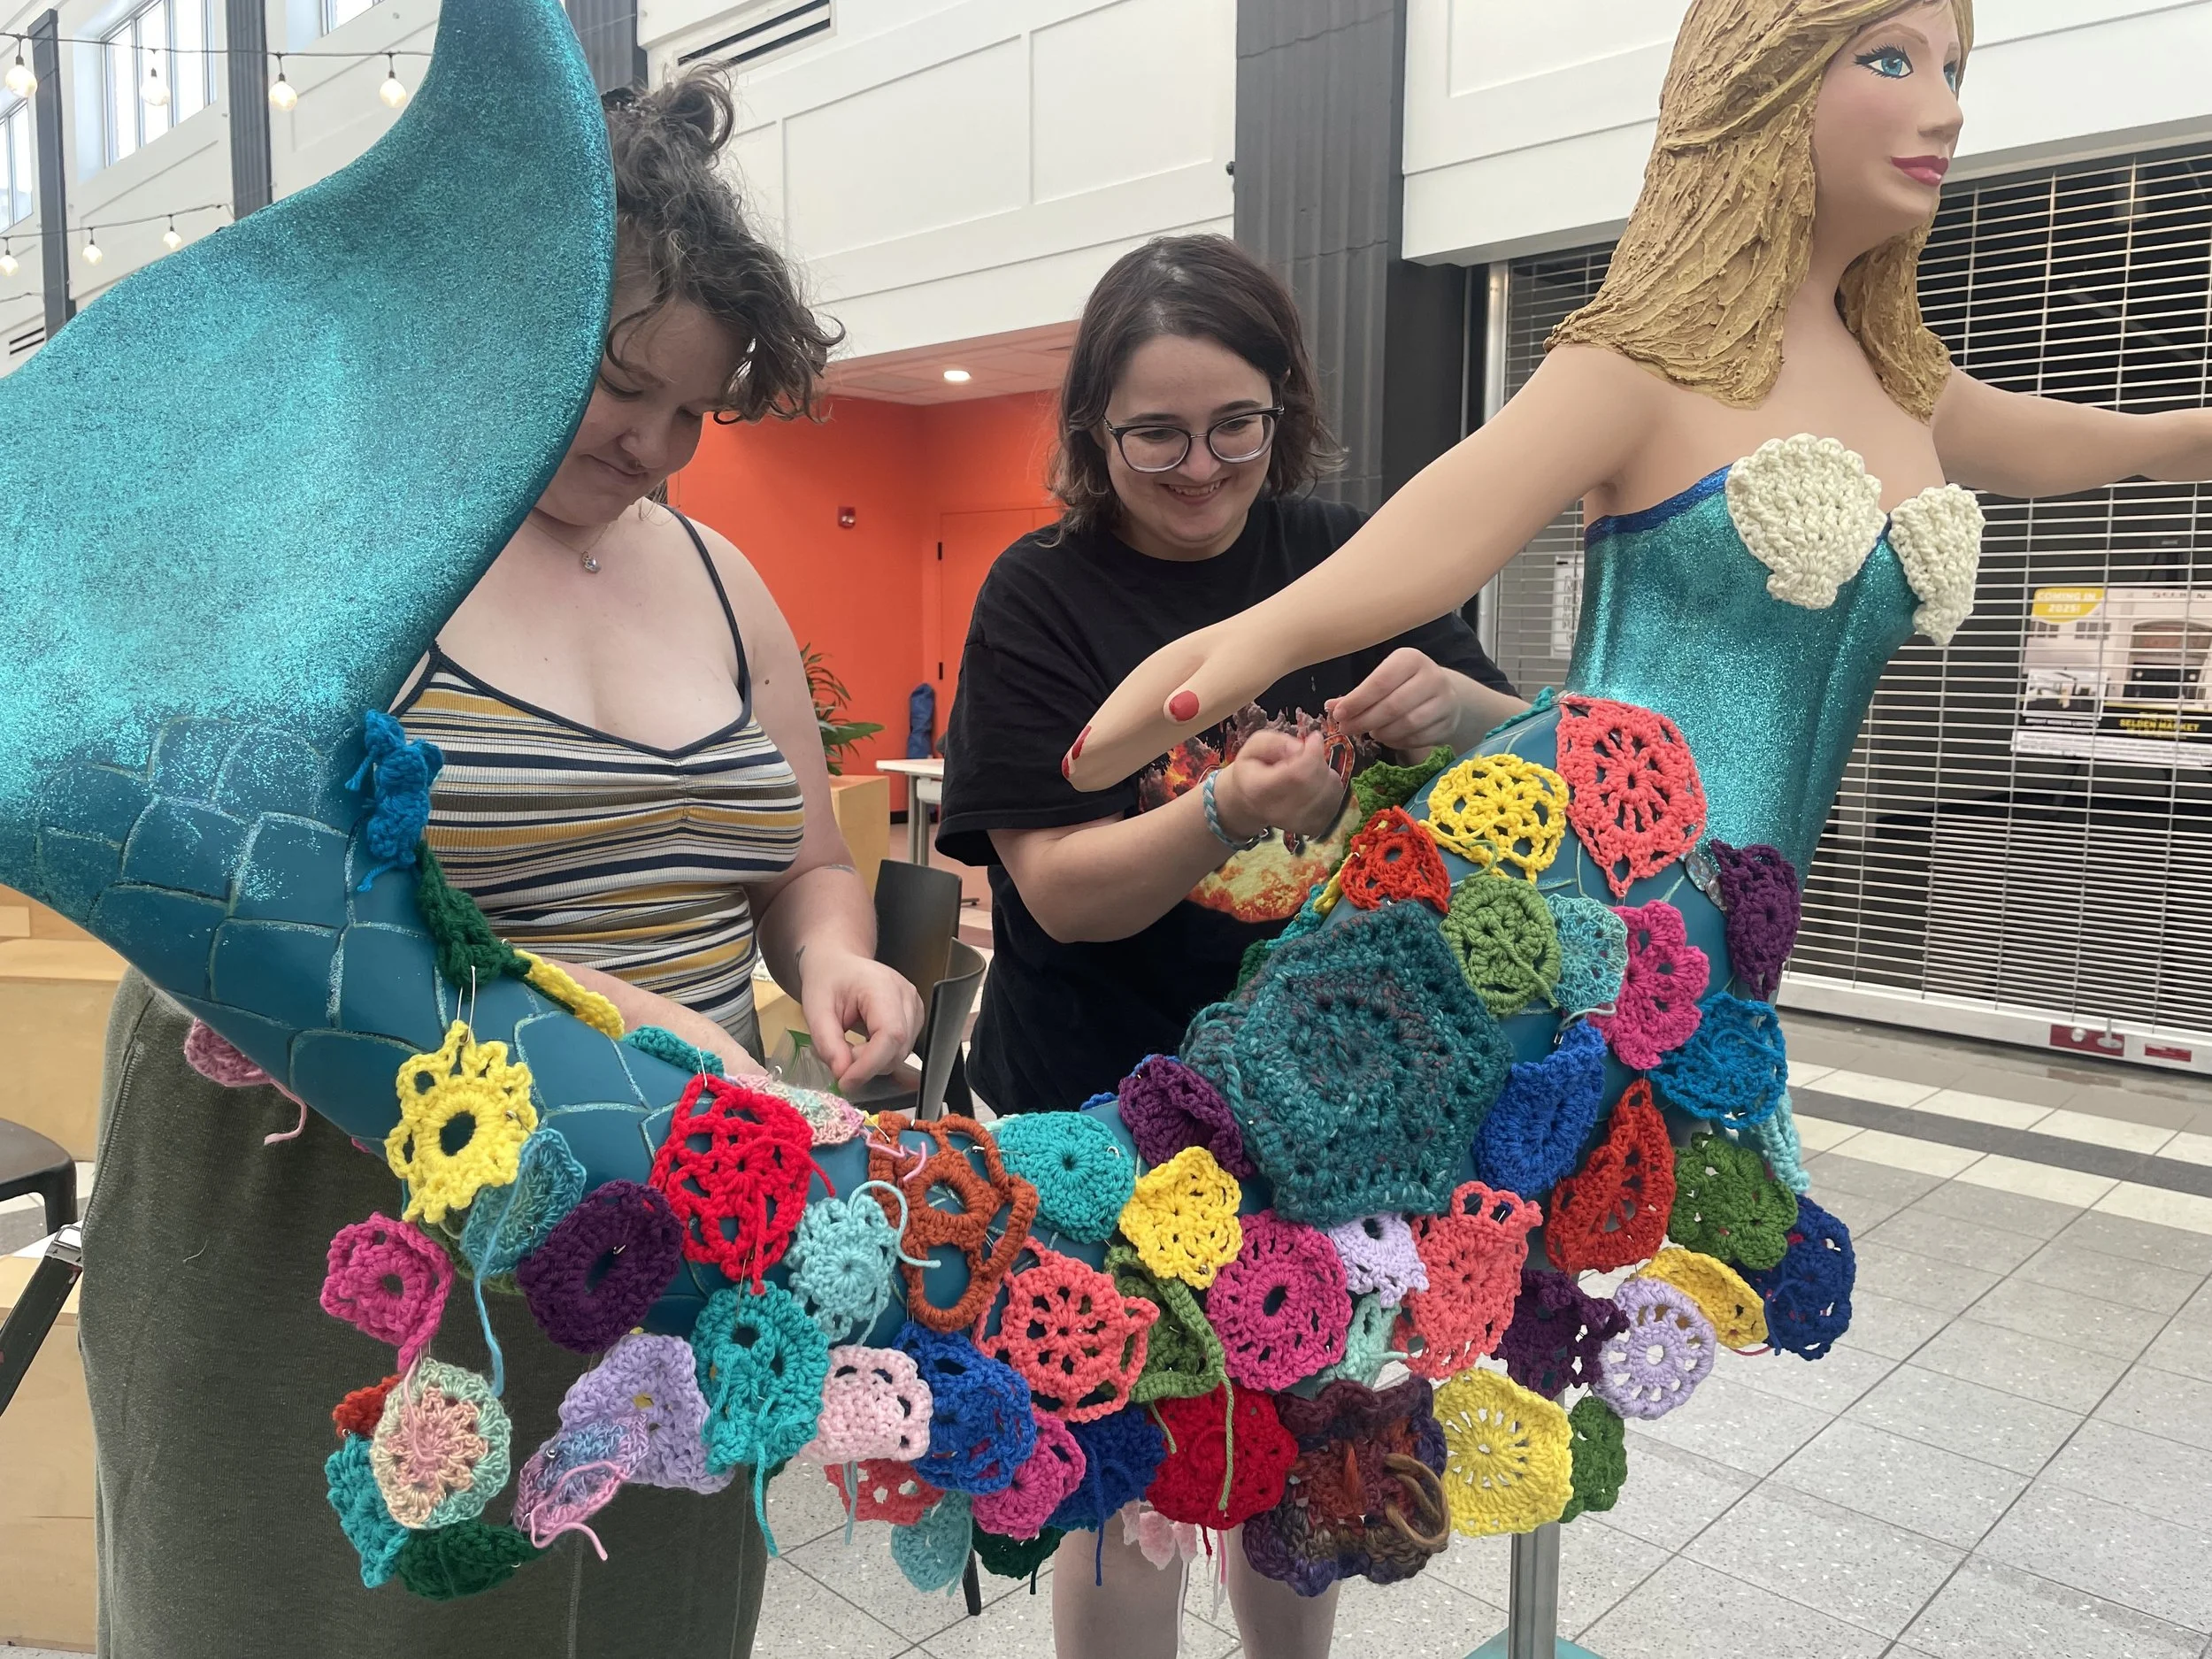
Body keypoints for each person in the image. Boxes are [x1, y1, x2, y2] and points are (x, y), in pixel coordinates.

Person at [79, 70, 922, 1658]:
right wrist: (611, 1018)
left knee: (637, 1605)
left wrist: (829, 958)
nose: (660, 445)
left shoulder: (723, 574)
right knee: (315, 1602)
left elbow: (801, 853)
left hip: (663, 1223)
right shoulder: (336, 545)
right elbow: (252, 890)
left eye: (694, 409)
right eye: (624, 386)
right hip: (345, 1225)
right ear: (500, 315)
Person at [934, 234, 1518, 1659]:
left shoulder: (1346, 555)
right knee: (1130, 1480)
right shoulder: (1040, 595)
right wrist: (1220, 808)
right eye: (1156, 437)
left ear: (1285, 404)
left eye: (1237, 427)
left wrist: (1462, 703)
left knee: (1305, 1466)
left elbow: (1528, 750)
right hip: (1094, 1110)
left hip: (1321, 1119)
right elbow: (1062, 895)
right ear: (1092, 431)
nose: (1202, 467)